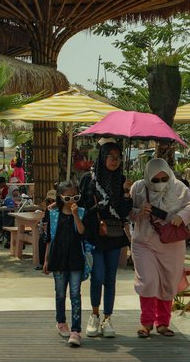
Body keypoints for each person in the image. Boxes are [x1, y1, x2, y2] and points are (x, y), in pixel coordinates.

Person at [129, 158, 190, 338]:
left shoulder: (180, 188)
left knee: (168, 282)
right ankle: (146, 323)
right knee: (148, 280)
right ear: (148, 178)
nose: (161, 183)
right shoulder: (138, 188)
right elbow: (128, 212)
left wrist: (182, 215)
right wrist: (139, 211)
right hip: (144, 241)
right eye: (155, 180)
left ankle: (163, 323)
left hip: (171, 244)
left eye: (164, 179)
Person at [79, 141, 133, 338]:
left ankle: (107, 318)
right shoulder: (89, 179)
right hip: (95, 234)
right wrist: (98, 207)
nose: (114, 160)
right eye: (110, 156)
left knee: (111, 279)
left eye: (118, 157)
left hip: (115, 235)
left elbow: (125, 212)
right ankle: (94, 315)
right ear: (102, 157)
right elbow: (82, 205)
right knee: (98, 276)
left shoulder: (122, 180)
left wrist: (127, 193)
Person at [43, 181, 85, 347]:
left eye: (75, 197)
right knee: (60, 292)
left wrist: (75, 215)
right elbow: (49, 238)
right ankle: (61, 321)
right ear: (60, 198)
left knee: (75, 294)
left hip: (75, 258)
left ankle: (76, 330)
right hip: (58, 257)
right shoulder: (53, 213)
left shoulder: (81, 211)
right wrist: (46, 259)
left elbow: (82, 232)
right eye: (67, 197)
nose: (71, 200)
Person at [35, 189, 56, 270]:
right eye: (49, 201)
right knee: (42, 239)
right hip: (48, 231)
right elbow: (45, 221)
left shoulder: (60, 209)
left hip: (58, 231)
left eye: (52, 200)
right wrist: (43, 226)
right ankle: (42, 263)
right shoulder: (48, 209)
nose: (51, 203)